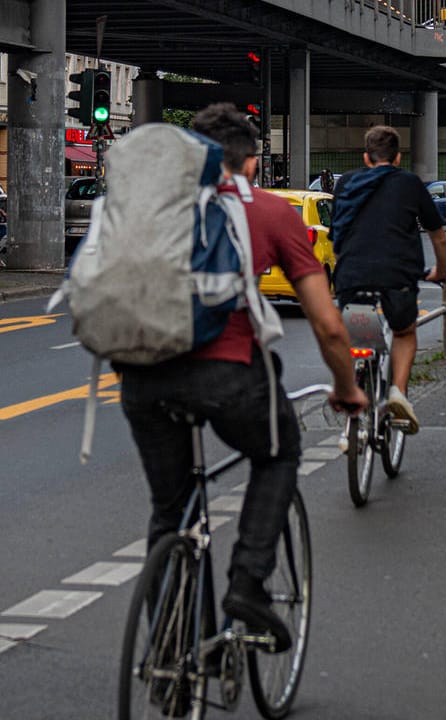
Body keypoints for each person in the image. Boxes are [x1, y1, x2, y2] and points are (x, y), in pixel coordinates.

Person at [118, 103, 366, 651]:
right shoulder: (274, 214)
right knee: (278, 453)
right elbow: (327, 325)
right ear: (250, 165)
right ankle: (249, 585)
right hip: (226, 376)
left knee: (171, 509)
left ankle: (172, 650)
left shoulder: (154, 202)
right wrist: (347, 388)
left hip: (140, 377)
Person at [330, 125, 446, 434]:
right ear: (398, 158)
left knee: (362, 337)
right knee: (404, 331)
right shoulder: (409, 183)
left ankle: (359, 386)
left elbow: (337, 237)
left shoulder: (347, 183)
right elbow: (438, 236)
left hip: (352, 275)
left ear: (366, 157)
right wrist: (441, 271)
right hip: (398, 273)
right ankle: (397, 392)